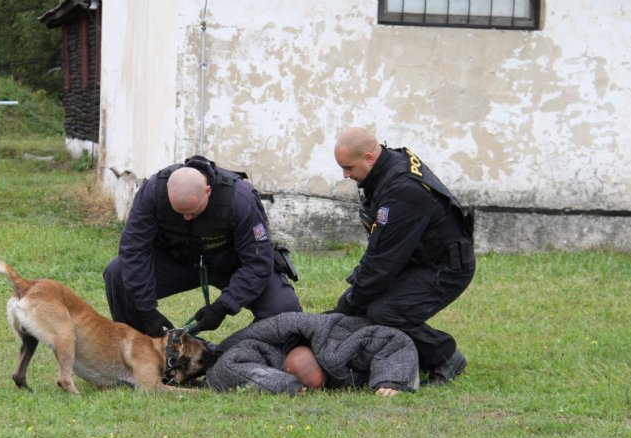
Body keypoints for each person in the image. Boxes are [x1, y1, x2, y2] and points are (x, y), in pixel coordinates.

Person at [332, 127, 476, 385]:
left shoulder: (402, 191)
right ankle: (397, 351)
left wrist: (348, 303)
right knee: (365, 303)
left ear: (368, 157)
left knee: (383, 312)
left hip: (446, 268)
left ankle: (445, 356)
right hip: (419, 260)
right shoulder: (388, 167)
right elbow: (382, 249)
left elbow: (383, 264)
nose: (346, 175)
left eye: (349, 168)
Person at [103, 155, 302, 337]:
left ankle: (227, 355)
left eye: (192, 211)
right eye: (179, 212)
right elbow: (134, 250)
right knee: (117, 273)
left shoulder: (240, 200)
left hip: (231, 264)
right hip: (178, 260)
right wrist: (146, 310)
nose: (186, 218)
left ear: (208, 191)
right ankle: (140, 354)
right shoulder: (153, 192)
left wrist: (223, 306)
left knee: (283, 308)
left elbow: (257, 262)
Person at [206, 311, 419, 396]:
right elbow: (225, 367)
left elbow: (395, 342)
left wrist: (390, 381)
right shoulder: (257, 347)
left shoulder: (339, 349)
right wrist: (284, 384)